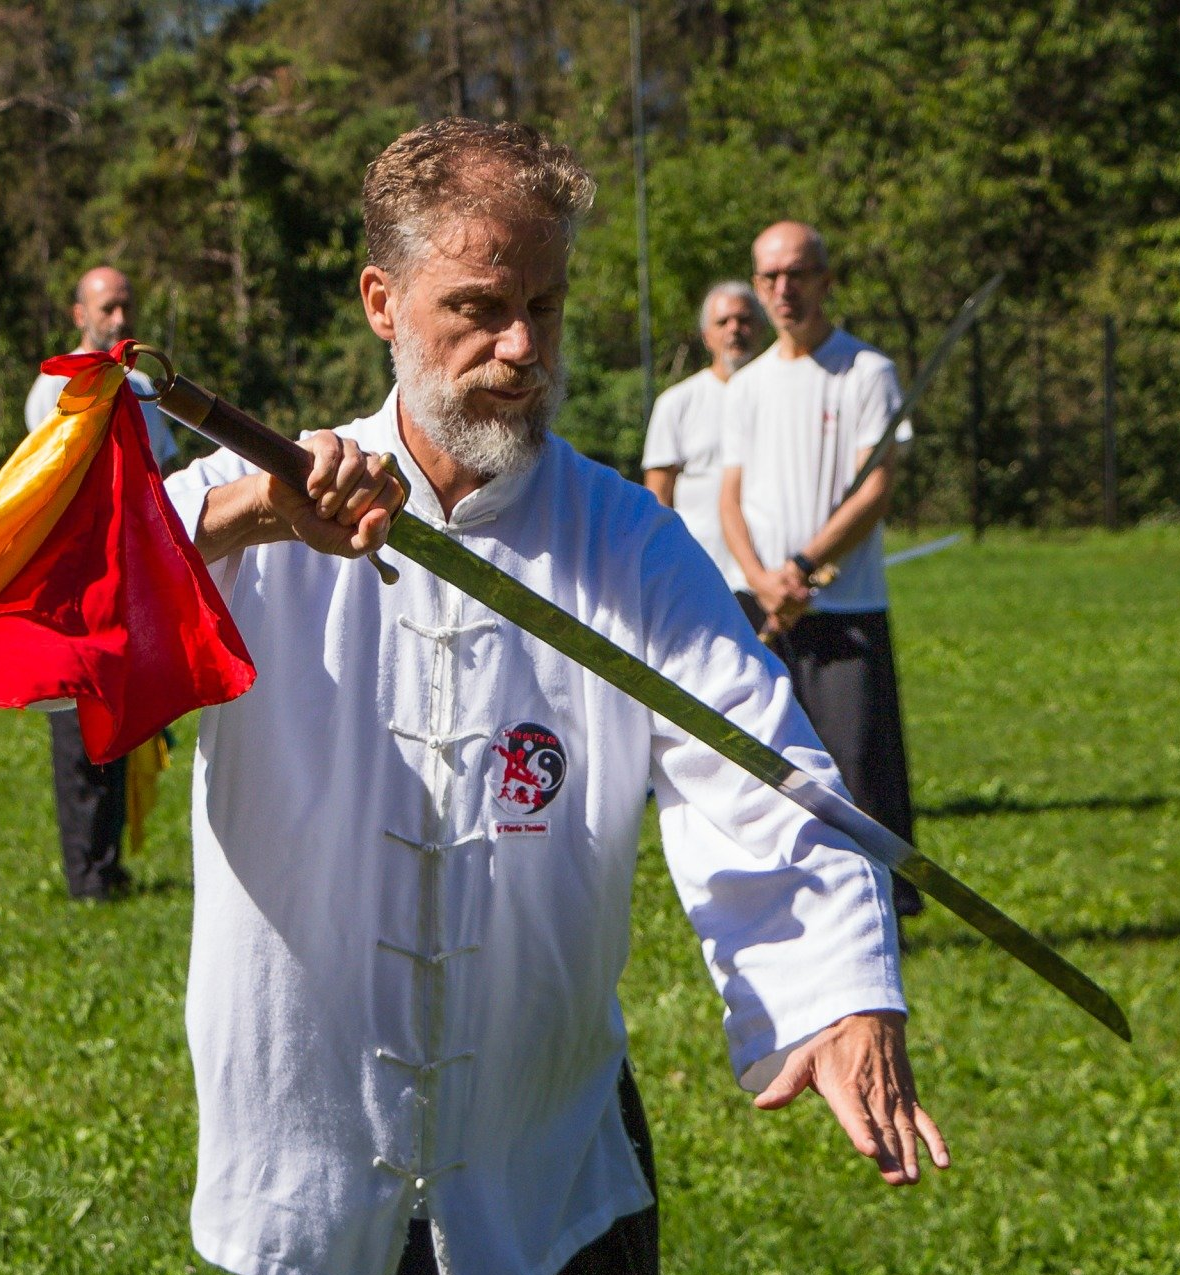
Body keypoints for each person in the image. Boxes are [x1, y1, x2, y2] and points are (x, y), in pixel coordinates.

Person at [165, 123, 946, 1275]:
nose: (522, 344)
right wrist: (249, 522)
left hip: (545, 1186)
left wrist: (836, 991)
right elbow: (40, 613)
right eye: (479, 307)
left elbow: (761, 771)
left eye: (548, 301)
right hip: (302, 1183)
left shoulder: (627, 542)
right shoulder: (245, 502)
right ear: (383, 301)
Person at [717, 220, 923, 921]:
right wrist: (760, 576)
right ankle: (792, 903)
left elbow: (874, 490)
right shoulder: (744, 386)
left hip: (844, 606)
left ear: (825, 281)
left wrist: (805, 565)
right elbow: (728, 495)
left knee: (859, 767)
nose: (782, 289)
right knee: (766, 763)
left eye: (796, 274)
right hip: (764, 604)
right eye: (769, 276)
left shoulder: (865, 371)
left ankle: (882, 906)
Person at [24, 266, 180, 900]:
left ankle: (109, 865)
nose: (120, 319)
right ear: (79, 315)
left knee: (123, 720)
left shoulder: (139, 383)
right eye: (108, 308)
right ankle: (86, 874)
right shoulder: (56, 387)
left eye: (126, 306)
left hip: (134, 576)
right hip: (80, 581)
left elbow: (168, 470)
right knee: (79, 727)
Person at [641, 281, 765, 581]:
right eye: (723, 322)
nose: (734, 329)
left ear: (762, 328)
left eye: (744, 320)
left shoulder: (782, 395)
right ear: (706, 336)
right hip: (702, 572)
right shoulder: (677, 403)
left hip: (770, 572)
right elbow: (658, 497)